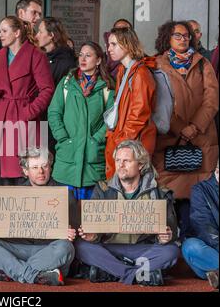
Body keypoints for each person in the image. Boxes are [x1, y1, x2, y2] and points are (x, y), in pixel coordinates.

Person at [75, 140, 179, 286]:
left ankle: (111, 272)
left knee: (171, 251)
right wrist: (92, 237)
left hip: (142, 249)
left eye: (126, 161)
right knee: (81, 246)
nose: (120, 165)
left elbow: (172, 229)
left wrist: (165, 237)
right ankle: (136, 274)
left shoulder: (159, 191)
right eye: (117, 160)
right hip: (111, 248)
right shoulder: (102, 189)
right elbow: (94, 230)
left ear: (141, 165)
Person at [154, 21, 219, 240]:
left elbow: (212, 99)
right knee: (170, 195)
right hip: (170, 140)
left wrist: (194, 127)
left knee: (197, 196)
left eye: (186, 36)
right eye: (178, 36)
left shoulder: (203, 63)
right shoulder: (157, 64)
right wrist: (181, 128)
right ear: (167, 38)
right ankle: (174, 244)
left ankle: (195, 247)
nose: (183, 40)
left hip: (201, 137)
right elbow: (158, 103)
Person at [0, 147, 77, 286]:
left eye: (44, 166)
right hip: (16, 248)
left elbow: (75, 228)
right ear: (25, 171)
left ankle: (9, 271)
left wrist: (71, 232)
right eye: (35, 167)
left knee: (66, 247)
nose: (41, 172)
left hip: (46, 251)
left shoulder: (65, 194)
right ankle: (36, 276)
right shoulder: (13, 193)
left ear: (50, 168)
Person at [0, 16, 54, 185]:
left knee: (20, 171)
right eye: (0, 32)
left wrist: (28, 112)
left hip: (23, 119)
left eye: (4, 31)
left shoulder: (36, 55)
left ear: (17, 32)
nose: (0, 35)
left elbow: (47, 89)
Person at [48, 41, 115, 200]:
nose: (83, 59)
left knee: (90, 216)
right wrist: (62, 137)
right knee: (65, 216)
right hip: (67, 160)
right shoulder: (66, 83)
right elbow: (54, 112)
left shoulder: (107, 87)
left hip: (92, 162)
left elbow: (111, 119)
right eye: (81, 55)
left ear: (98, 60)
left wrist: (96, 140)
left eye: (88, 55)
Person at [105, 27, 157, 180]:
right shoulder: (124, 69)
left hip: (134, 142)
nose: (109, 49)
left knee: (132, 189)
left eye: (114, 44)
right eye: (109, 44)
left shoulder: (140, 73)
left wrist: (122, 142)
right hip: (126, 139)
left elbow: (139, 115)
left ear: (127, 45)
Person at [182, 162, 219, 289]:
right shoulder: (200, 190)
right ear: (218, 172)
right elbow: (204, 227)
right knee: (190, 247)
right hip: (214, 248)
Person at [0, 0, 43, 68]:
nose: (38, 17)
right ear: (21, 13)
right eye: (34, 12)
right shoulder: (1, 42)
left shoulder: (37, 37)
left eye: (39, 14)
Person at [35, 17, 77, 86]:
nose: (36, 36)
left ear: (51, 35)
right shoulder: (39, 56)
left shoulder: (66, 62)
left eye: (40, 32)